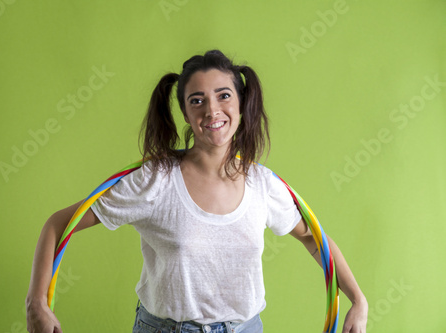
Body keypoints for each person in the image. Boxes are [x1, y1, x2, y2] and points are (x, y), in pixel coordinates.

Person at [26, 50, 368, 333]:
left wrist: (358, 300)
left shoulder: (263, 184)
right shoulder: (155, 180)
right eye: (197, 100)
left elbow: (315, 239)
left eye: (223, 95)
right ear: (186, 114)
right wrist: (36, 304)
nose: (212, 110)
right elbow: (58, 225)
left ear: (240, 103)